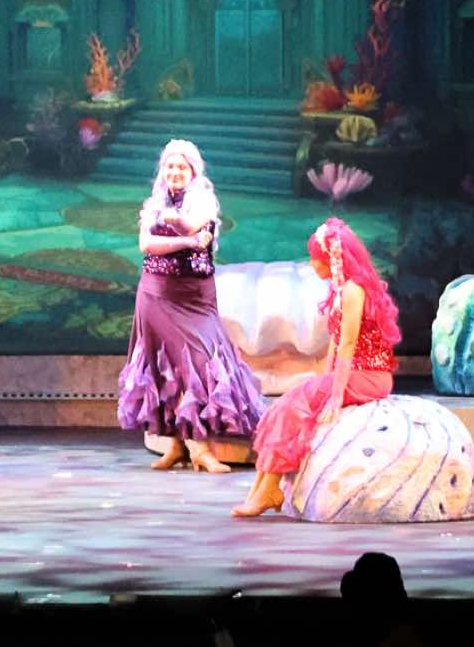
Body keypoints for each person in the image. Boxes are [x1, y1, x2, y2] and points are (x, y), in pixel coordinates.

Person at [233, 217, 400, 516]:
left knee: (294, 405)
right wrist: (324, 380)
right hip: (351, 373)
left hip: (369, 376)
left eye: (316, 259)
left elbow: (349, 344)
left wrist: (334, 394)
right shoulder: (341, 288)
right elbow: (336, 340)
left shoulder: (353, 290)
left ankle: (269, 489)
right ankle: (261, 489)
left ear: (333, 260)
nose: (312, 265)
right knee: (283, 404)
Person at [117, 139, 266, 472]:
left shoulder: (204, 202)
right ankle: (179, 446)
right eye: (169, 166)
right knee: (164, 366)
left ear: (193, 172)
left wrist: (179, 228)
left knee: (198, 362)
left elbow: (189, 224)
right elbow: (146, 244)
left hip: (194, 296)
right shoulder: (153, 203)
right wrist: (187, 242)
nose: (174, 172)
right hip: (156, 292)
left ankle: (199, 447)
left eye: (181, 167)